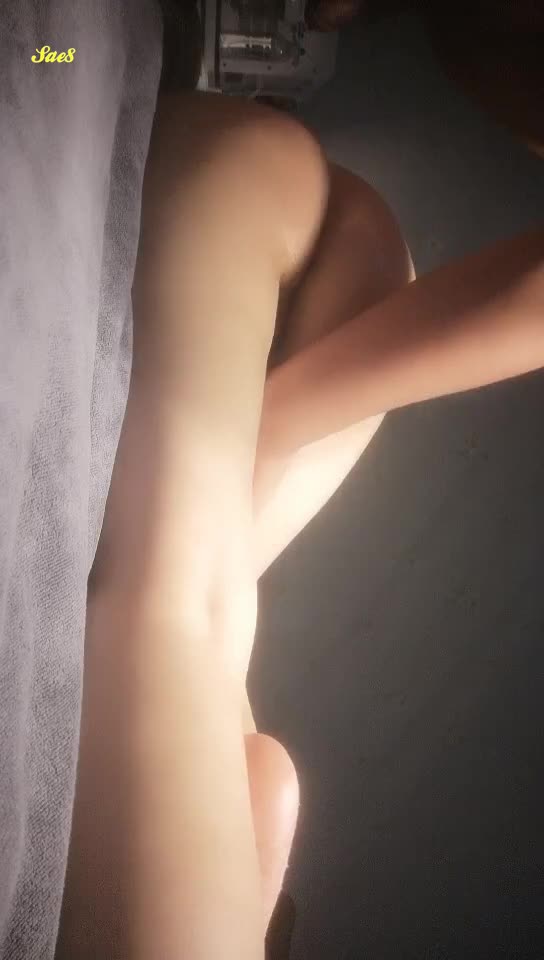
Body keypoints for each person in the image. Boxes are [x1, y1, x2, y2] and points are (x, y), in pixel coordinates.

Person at [55, 84, 544, 958]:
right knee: (178, 608)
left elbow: (271, 782)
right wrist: (263, 437)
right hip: (277, 216)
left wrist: (264, 440)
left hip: (301, 236)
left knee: (188, 609)